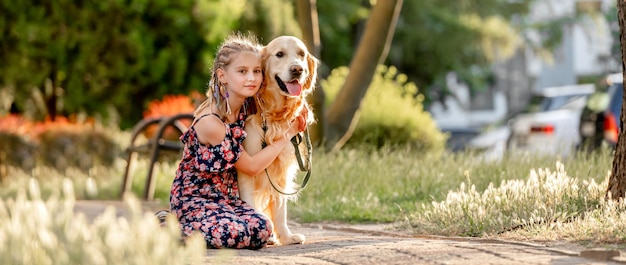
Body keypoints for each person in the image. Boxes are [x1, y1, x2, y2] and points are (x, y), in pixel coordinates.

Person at [167, 33, 307, 249]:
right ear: (222, 76)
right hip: (197, 200)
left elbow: (279, 105)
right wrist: (288, 134)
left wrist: (297, 109)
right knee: (237, 234)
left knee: (261, 230)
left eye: (256, 71)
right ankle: (168, 228)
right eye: (242, 72)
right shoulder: (211, 122)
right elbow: (250, 167)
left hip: (227, 200)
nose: (251, 78)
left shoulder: (247, 107)